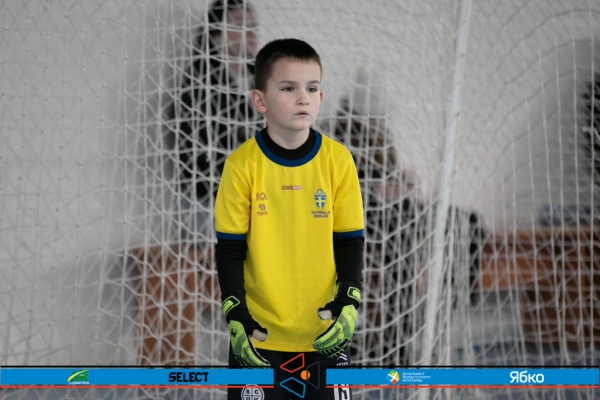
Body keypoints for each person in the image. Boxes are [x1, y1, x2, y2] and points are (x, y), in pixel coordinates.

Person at [214, 38, 364, 400]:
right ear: (260, 100)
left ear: (321, 97)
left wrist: (349, 299)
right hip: (258, 337)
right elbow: (230, 250)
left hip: (325, 335)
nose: (303, 98)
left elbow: (350, 241)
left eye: (311, 88)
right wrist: (235, 312)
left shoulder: (339, 161)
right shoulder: (241, 165)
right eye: (288, 88)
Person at [169, 0, 261, 238]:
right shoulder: (198, 86)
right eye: (239, 25)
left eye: (253, 25)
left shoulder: (263, 83)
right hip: (208, 205)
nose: (250, 32)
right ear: (216, 34)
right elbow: (199, 159)